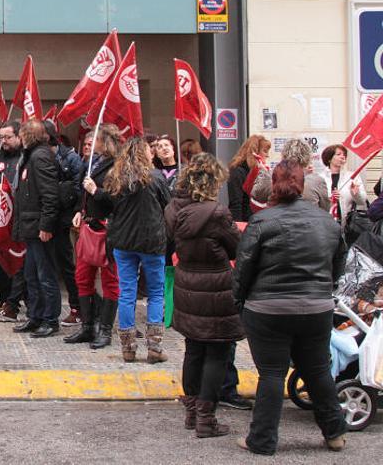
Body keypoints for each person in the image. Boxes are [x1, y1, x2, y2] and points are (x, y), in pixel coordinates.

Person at [233, 160, 347, 455]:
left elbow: (243, 268)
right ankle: (334, 433)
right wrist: (323, 292)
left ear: (274, 184)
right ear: (303, 183)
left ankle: (262, 440)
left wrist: (240, 302)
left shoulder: (263, 221)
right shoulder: (327, 223)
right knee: (319, 370)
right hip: (316, 306)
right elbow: (338, 266)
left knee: (271, 374)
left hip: (268, 308)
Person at [164, 153, 243, 438]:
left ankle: (192, 409)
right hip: (216, 286)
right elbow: (237, 248)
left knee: (194, 348)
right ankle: (206, 418)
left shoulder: (173, 208)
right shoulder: (216, 213)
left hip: (187, 281)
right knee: (218, 350)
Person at [84, 137, 170, 363]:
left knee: (127, 292)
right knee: (155, 293)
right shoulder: (156, 178)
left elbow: (107, 204)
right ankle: (154, 347)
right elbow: (167, 206)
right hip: (152, 242)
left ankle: (128, 348)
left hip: (123, 241)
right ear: (145, 154)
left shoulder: (115, 178)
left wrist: (94, 192)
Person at [67, 124, 121, 347]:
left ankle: (105, 331)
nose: (91, 142)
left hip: (108, 230)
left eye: (96, 139)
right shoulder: (91, 163)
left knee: (110, 281)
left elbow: (117, 200)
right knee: (82, 277)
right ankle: (87, 327)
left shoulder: (117, 166)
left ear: (105, 142)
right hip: (88, 228)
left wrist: (95, 192)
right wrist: (80, 211)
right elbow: (83, 195)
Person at [11, 120, 61, 337]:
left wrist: (46, 225)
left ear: (28, 136)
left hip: (40, 228)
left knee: (45, 275)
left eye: (21, 134)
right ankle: (36, 316)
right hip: (30, 227)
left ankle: (50, 319)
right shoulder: (31, 156)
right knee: (32, 274)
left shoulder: (40, 157)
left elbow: (50, 195)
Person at [0, 121, 25, 321]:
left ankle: (17, 300)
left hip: (21, 218)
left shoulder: (25, 157)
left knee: (20, 261)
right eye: (2, 137)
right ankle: (4, 299)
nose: (4, 141)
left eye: (8, 137)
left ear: (19, 136)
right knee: (1, 258)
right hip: (3, 217)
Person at [46, 121, 82, 327]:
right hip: (45, 217)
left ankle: (77, 307)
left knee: (67, 264)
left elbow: (78, 188)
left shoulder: (70, 157)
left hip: (63, 218)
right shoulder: (35, 156)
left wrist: (75, 211)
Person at [251, 138, 328, 210]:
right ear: (307, 157)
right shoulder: (317, 181)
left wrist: (263, 172)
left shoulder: (271, 176)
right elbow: (325, 209)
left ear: (284, 155)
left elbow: (257, 196)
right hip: (309, 222)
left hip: (276, 221)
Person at [320, 144, 367, 225]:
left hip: (346, 225)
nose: (343, 156)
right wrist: (329, 199)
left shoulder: (352, 177)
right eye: (338, 154)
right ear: (329, 159)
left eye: (344, 155)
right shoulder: (320, 177)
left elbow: (362, 202)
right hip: (326, 223)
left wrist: (356, 193)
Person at [227, 135, 271, 222]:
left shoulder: (259, 170)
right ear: (255, 152)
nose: (268, 155)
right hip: (246, 221)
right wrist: (239, 228)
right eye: (265, 151)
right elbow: (236, 204)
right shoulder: (237, 171)